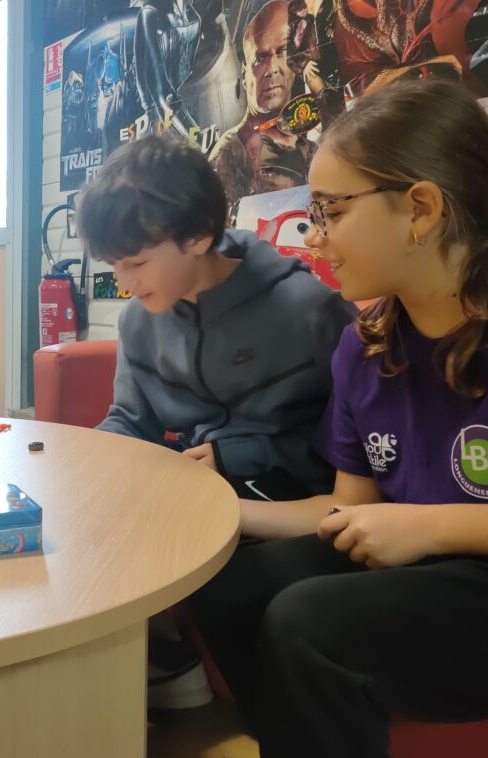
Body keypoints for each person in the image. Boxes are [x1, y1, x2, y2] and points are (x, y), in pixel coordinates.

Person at [190, 79, 488, 758]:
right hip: (435, 569)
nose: (314, 236)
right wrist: (220, 511)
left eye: (331, 211)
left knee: (308, 624)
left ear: (421, 208)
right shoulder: (366, 344)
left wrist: (430, 526)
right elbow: (349, 509)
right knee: (227, 587)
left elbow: (408, 527)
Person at [75, 130, 355, 708]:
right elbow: (129, 421)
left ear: (199, 236)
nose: (125, 283)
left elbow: (357, 444)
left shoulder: (310, 312)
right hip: (202, 488)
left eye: (137, 263)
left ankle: (256, 713)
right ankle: (157, 667)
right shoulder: (138, 322)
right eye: (114, 265)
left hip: (292, 498)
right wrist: (87, 465)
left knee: (223, 579)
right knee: (79, 524)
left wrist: (238, 456)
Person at [208, 0, 312, 220]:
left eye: (281, 52)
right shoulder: (231, 151)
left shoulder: (309, 149)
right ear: (245, 73)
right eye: (261, 58)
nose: (271, 69)